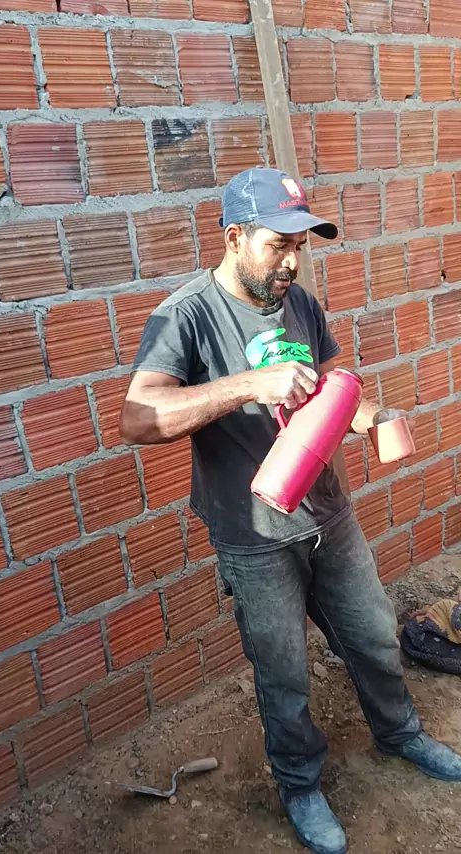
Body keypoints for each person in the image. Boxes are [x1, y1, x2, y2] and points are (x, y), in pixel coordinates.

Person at [120, 167, 461, 854]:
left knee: (373, 636)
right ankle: (301, 785)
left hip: (330, 516)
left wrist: (371, 416)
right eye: (278, 245)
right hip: (254, 537)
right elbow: (138, 416)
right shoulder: (185, 315)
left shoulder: (298, 301)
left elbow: (332, 386)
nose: (292, 262)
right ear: (234, 237)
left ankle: (400, 735)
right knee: (284, 673)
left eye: (300, 246)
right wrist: (249, 384)